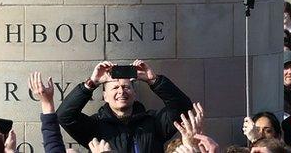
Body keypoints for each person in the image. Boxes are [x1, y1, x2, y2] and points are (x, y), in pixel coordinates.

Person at [56, 60, 193, 153]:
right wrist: (91, 83)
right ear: (105, 96)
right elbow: (64, 116)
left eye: (126, 87)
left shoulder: (153, 121)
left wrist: (154, 80)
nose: (121, 91)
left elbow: (183, 107)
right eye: (115, 87)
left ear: (134, 93)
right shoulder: (95, 127)